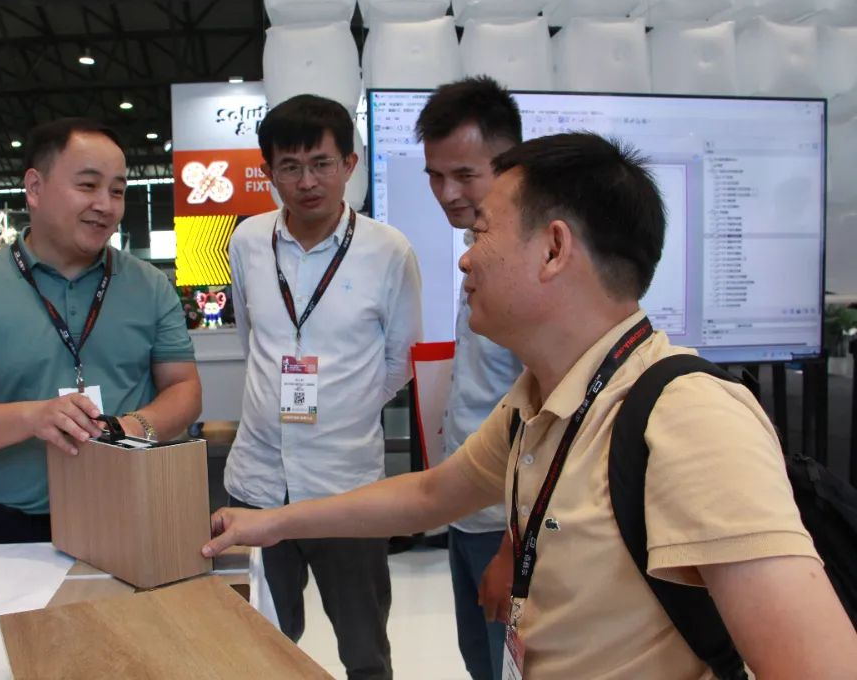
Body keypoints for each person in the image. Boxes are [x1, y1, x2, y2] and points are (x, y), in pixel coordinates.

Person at [204, 133, 857, 679]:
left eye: (481, 231)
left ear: (553, 249)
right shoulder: (537, 402)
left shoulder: (687, 420)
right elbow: (430, 495)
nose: (466, 260)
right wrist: (272, 523)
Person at [0, 117, 201, 544]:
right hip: (16, 527)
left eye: (117, 191)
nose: (105, 205)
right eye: (88, 185)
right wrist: (33, 417)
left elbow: (184, 387)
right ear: (35, 188)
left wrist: (132, 427)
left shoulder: (149, 285)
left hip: (134, 509)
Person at [224, 94, 422, 680]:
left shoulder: (388, 250)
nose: (307, 182)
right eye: (290, 166)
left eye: (321, 163)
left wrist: (345, 407)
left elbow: (401, 360)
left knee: (364, 650)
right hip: (258, 481)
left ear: (350, 165)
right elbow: (252, 341)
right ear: (269, 171)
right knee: (260, 645)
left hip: (346, 488)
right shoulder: (247, 241)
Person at [416, 76, 524, 680]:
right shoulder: (476, 245)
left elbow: (553, 418)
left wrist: (513, 548)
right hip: (470, 511)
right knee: (480, 664)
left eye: (464, 174)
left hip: (507, 527)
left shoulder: (525, 263)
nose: (447, 192)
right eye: (435, 175)